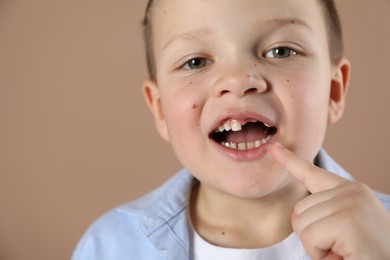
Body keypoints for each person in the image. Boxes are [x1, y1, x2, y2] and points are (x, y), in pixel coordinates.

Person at [72, 0, 390, 259]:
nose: (239, 80)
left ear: (334, 91)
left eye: (281, 51)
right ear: (160, 109)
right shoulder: (108, 246)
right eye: (195, 62)